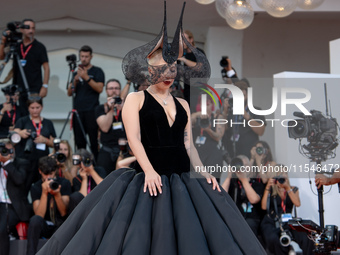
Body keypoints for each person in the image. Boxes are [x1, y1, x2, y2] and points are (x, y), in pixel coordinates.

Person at [36, 3, 266, 254]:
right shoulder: (135, 99)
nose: (168, 73)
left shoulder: (183, 105)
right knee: (141, 237)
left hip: (184, 178)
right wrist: (149, 171)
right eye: (161, 68)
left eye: (172, 68)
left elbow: (188, 143)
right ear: (149, 70)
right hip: (146, 177)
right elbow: (134, 139)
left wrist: (202, 172)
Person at [261, 168, 314, 255]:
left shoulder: (293, 189)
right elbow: (263, 207)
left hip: (288, 221)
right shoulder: (270, 190)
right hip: (272, 221)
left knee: (306, 237)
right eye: (280, 173)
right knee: (273, 239)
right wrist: (268, 187)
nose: (283, 175)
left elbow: (297, 203)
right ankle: (286, 251)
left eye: (285, 173)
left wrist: (287, 188)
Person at [0, 19, 50, 111]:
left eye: (33, 28)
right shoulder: (16, 46)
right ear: (21, 29)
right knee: (18, 115)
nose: (31, 31)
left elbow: (46, 67)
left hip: (34, 88)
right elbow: (1, 57)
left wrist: (45, 86)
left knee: (33, 113)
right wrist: (3, 41)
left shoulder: (39, 47)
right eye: (27, 28)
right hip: (17, 88)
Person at [26, 156, 71, 255]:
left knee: (65, 224)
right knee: (34, 220)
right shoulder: (36, 187)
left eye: (50, 173)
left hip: (60, 224)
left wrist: (57, 194)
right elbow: (39, 215)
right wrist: (44, 193)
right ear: (40, 171)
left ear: (55, 171)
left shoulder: (64, 183)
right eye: (45, 174)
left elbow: (64, 212)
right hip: (45, 225)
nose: (48, 178)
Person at [67, 45, 105, 160]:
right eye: (82, 56)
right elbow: (69, 92)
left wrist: (86, 77)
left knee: (93, 141)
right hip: (78, 112)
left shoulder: (97, 71)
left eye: (86, 56)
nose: (84, 59)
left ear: (91, 57)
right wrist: (75, 80)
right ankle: (80, 165)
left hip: (92, 111)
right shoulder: (75, 72)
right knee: (79, 142)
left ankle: (96, 166)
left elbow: (99, 88)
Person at [14, 96, 56, 195]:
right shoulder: (22, 121)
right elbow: (13, 137)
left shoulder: (47, 123)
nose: (35, 110)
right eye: (32, 108)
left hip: (42, 161)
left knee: (43, 189)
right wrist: (20, 134)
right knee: (23, 189)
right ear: (28, 108)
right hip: (25, 160)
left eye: (37, 107)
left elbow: (54, 143)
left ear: (42, 107)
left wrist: (44, 140)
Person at [0, 139, 31, 255]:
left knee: (1, 229)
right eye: (3, 150)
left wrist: (7, 163)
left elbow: (19, 179)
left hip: (13, 207)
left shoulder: (22, 163)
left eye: (9, 150)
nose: (6, 153)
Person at [221, 155, 264, 237]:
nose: (243, 168)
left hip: (252, 219)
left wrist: (244, 180)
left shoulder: (257, 183)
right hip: (235, 217)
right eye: (241, 165)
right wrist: (228, 177)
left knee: (248, 225)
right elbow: (221, 196)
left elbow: (254, 200)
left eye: (246, 165)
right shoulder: (233, 183)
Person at [222, 80, 266, 159]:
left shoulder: (256, 110)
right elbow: (223, 130)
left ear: (248, 95)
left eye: (243, 96)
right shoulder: (230, 111)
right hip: (233, 156)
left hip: (250, 156)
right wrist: (225, 112)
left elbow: (261, 131)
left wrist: (246, 115)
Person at [95, 79, 127, 175]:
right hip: (107, 151)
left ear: (120, 90)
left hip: (124, 151)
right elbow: (104, 127)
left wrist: (124, 109)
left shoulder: (127, 107)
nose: (114, 91)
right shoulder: (100, 108)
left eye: (116, 88)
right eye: (111, 88)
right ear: (106, 91)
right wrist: (110, 109)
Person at [191, 95, 225, 180]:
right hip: (197, 153)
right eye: (202, 104)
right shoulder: (196, 117)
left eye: (207, 104)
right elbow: (186, 123)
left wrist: (208, 129)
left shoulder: (218, 117)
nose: (205, 107)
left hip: (212, 154)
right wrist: (197, 114)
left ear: (212, 105)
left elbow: (218, 137)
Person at [68, 149, 106, 214]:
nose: (83, 164)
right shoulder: (77, 179)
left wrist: (91, 171)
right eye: (80, 162)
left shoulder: (99, 170)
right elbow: (81, 199)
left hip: (100, 204)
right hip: (86, 209)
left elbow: (105, 187)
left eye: (85, 161)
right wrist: (84, 179)